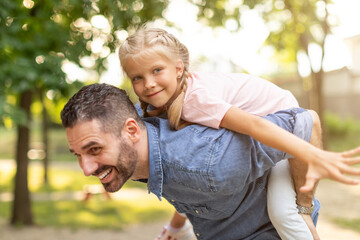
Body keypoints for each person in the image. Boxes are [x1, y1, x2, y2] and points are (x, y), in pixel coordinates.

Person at [61, 83, 360, 240]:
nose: (86, 169)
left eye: (94, 149)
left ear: (130, 131)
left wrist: (304, 206)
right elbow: (184, 187)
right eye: (78, 155)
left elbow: (306, 121)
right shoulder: (138, 148)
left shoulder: (208, 163)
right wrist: (175, 228)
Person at [117, 27, 321, 239]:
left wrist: (311, 161)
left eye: (157, 70)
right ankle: (181, 228)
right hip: (268, 125)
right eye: (137, 78)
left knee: (284, 213)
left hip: (281, 126)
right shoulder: (168, 104)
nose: (148, 84)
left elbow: (255, 126)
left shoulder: (196, 102)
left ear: (178, 68)